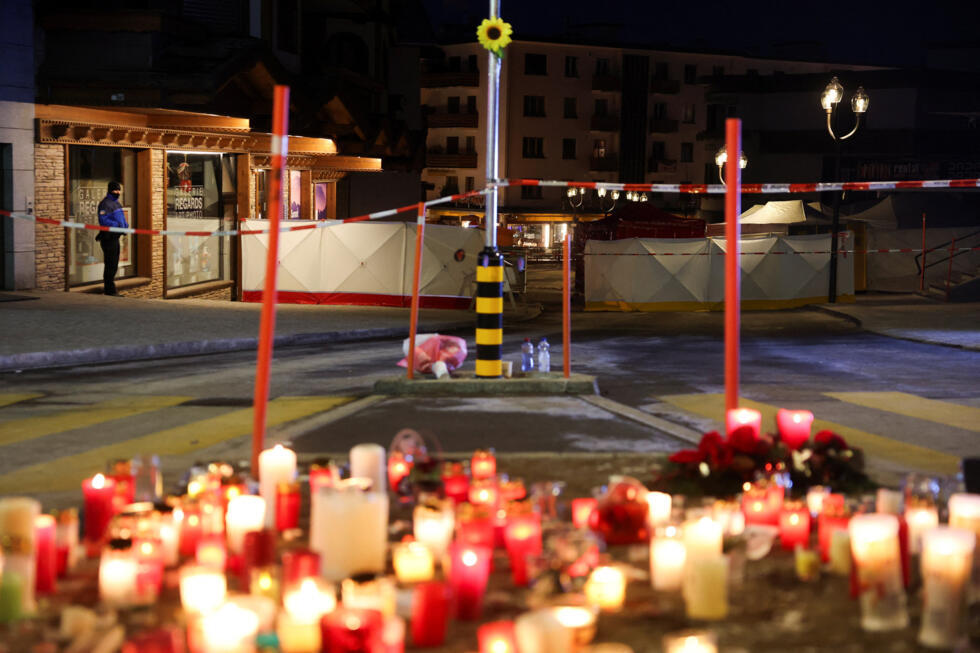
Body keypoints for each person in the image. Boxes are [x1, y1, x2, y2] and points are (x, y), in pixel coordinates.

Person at [96, 181, 128, 296]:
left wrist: (125, 226)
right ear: (110, 190)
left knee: (114, 264)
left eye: (119, 190)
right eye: (115, 190)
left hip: (115, 237)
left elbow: (121, 218)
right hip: (108, 237)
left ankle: (111, 289)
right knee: (110, 264)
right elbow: (104, 220)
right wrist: (118, 226)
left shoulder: (117, 204)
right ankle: (110, 290)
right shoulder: (105, 204)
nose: (117, 192)